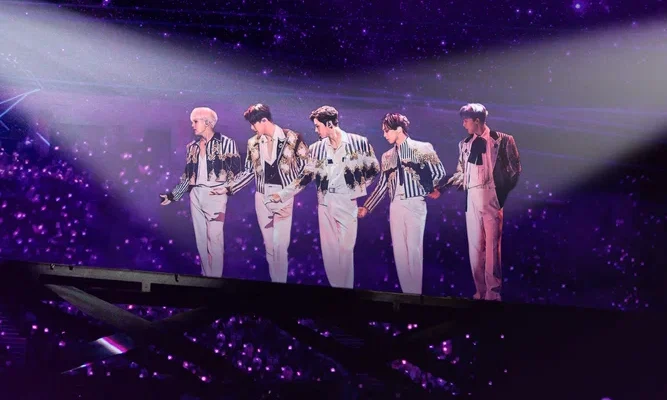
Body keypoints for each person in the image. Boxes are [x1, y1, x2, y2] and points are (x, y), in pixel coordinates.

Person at [269, 106, 380, 289]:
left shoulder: (359, 142)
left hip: (347, 202)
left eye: (317, 126)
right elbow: (304, 177)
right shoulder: (316, 149)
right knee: (329, 254)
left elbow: (374, 169)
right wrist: (282, 194)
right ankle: (336, 293)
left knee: (346, 251)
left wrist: (357, 187)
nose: (315, 130)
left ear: (329, 124)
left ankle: (346, 294)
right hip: (325, 203)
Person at [210, 104, 308, 283]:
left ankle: (281, 286)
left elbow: (307, 170)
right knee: (270, 247)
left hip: (283, 198)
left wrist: (287, 193)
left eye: (253, 123)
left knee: (280, 247)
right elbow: (249, 171)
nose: (251, 128)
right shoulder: (253, 143)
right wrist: (228, 188)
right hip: (262, 198)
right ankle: (275, 283)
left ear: (264, 120)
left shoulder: (292, 138)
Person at [440, 103, 521, 301]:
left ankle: (493, 294)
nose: (463, 124)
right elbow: (461, 172)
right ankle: (480, 292)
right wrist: (442, 187)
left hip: (491, 195)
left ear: (477, 120)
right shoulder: (465, 144)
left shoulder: (502, 140)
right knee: (475, 249)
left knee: (492, 247)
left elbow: (514, 169)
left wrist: (499, 194)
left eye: (466, 120)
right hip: (472, 198)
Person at [358, 113, 446, 295]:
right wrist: (367, 207)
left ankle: (415, 296)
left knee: (413, 250)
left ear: (399, 129)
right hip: (395, 205)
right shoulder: (387, 156)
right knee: (400, 252)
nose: (384, 135)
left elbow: (439, 172)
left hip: (414, 203)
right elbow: (382, 186)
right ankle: (408, 295)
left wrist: (429, 189)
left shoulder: (422, 148)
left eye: (387, 131)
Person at [160, 107, 241, 278]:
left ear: (207, 122)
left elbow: (236, 171)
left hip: (215, 194)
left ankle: (215, 280)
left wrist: (226, 188)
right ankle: (206, 277)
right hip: (196, 194)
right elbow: (187, 176)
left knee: (215, 239)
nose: (192, 125)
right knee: (201, 240)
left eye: (195, 121)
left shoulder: (226, 143)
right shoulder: (192, 147)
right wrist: (172, 196)